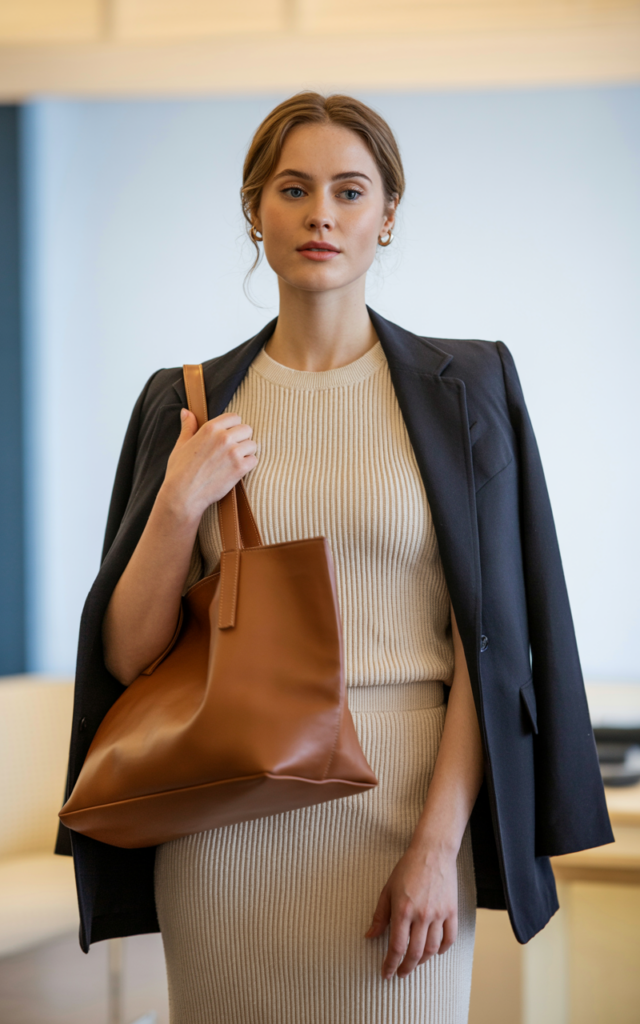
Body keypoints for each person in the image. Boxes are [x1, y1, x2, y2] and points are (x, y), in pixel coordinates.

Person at [57, 93, 612, 1024]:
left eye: (350, 191)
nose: (322, 213)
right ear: (255, 211)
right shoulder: (185, 401)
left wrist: (440, 847)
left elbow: (492, 644)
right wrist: (179, 500)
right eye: (294, 188)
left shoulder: (464, 390)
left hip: (404, 810)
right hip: (226, 822)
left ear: (387, 215)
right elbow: (126, 657)